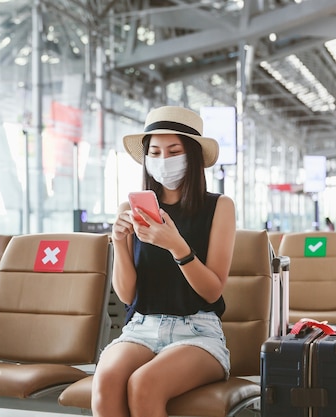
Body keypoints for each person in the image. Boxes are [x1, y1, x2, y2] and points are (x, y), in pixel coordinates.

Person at [91, 106, 236, 417]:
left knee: (145, 384)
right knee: (105, 381)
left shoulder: (219, 207)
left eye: (174, 151)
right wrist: (119, 243)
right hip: (142, 327)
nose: (163, 160)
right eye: (154, 152)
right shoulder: (130, 209)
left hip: (198, 331)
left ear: (193, 156)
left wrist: (177, 247)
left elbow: (212, 292)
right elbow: (128, 296)